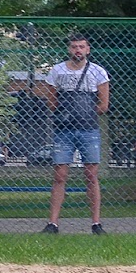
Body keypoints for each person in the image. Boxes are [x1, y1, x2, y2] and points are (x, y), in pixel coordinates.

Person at [40, 34, 110, 235]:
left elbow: (104, 104)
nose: (77, 50)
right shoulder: (57, 71)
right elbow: (51, 101)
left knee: (91, 175)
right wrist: (66, 114)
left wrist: (85, 112)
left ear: (88, 49)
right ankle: (53, 223)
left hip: (89, 129)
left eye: (81, 47)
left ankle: (96, 223)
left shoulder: (98, 72)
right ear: (69, 50)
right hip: (64, 130)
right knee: (60, 175)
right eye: (74, 47)